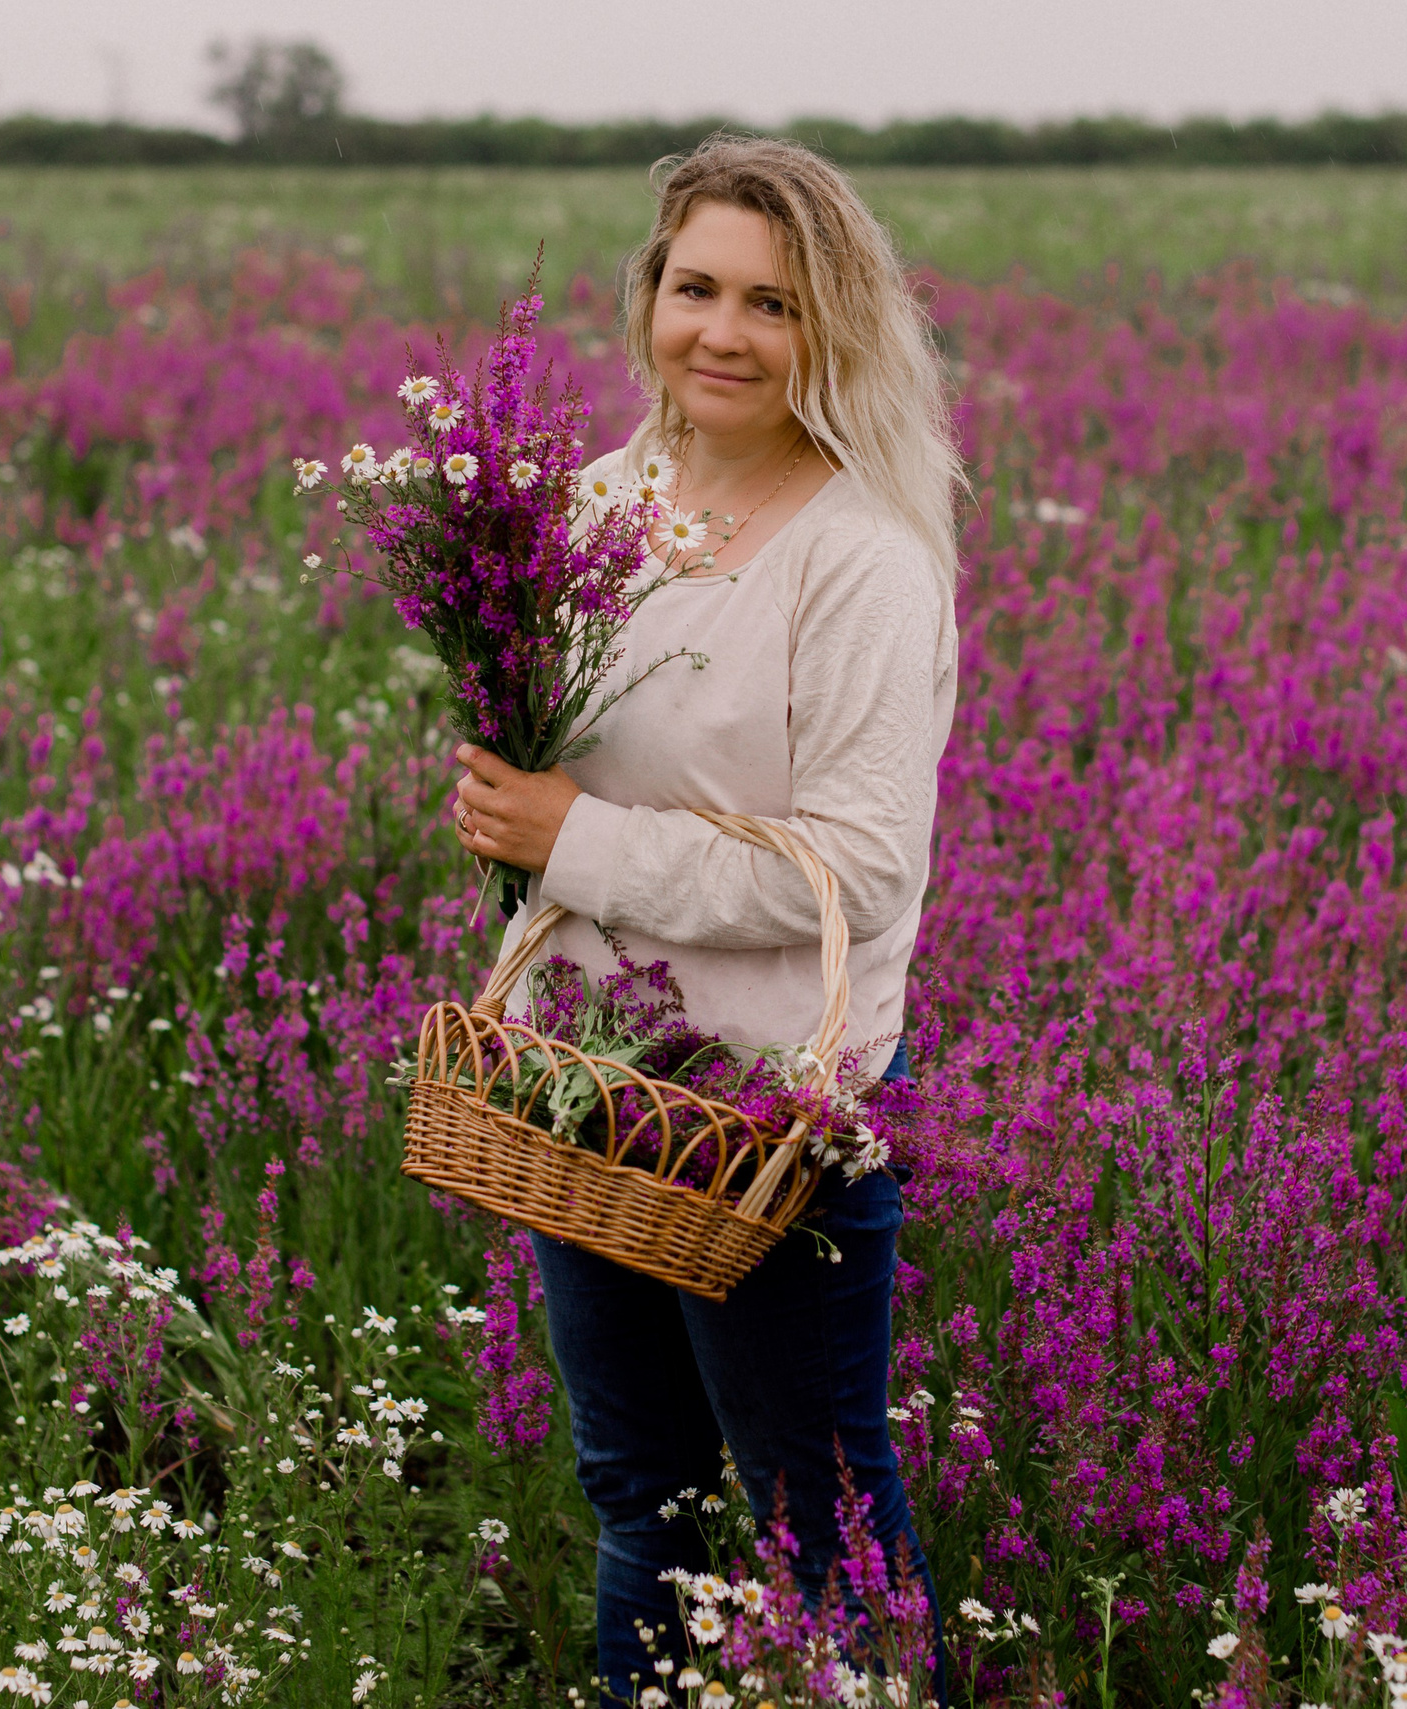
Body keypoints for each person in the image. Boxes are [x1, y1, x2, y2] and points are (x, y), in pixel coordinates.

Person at [446, 133, 962, 1703]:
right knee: (644, 1497)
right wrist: (507, 809)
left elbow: (858, 870)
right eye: (695, 288)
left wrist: (574, 837)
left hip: (767, 1116)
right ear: (647, 296)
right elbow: (556, 780)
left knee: (824, 1521)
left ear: (835, 331)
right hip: (584, 1092)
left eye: (773, 304)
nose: (720, 333)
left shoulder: (860, 558)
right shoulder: (590, 508)